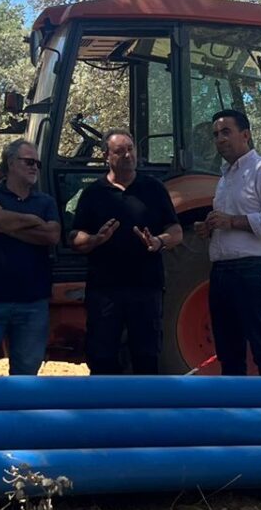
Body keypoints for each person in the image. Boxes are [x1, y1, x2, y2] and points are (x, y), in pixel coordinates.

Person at [70, 131, 181, 374]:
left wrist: (159, 242)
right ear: (106, 156)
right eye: (120, 151)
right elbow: (74, 237)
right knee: (101, 356)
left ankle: (147, 411)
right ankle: (104, 410)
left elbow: (176, 230)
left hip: (146, 289)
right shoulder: (93, 194)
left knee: (147, 355)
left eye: (130, 149)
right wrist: (95, 239)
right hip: (104, 291)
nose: (128, 155)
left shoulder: (154, 189)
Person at [204, 109, 261, 376]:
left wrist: (231, 221)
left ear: (246, 135)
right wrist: (209, 227)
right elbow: (228, 222)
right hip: (221, 272)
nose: (220, 139)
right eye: (216, 134)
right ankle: (236, 415)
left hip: (254, 270)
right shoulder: (223, 179)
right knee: (228, 354)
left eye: (226, 132)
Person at [0, 139, 60, 375]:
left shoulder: (45, 201)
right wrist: (32, 221)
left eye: (37, 163)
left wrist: (7, 223)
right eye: (29, 161)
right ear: (10, 163)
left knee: (27, 375)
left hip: (33, 302)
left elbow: (52, 235)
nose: (35, 167)